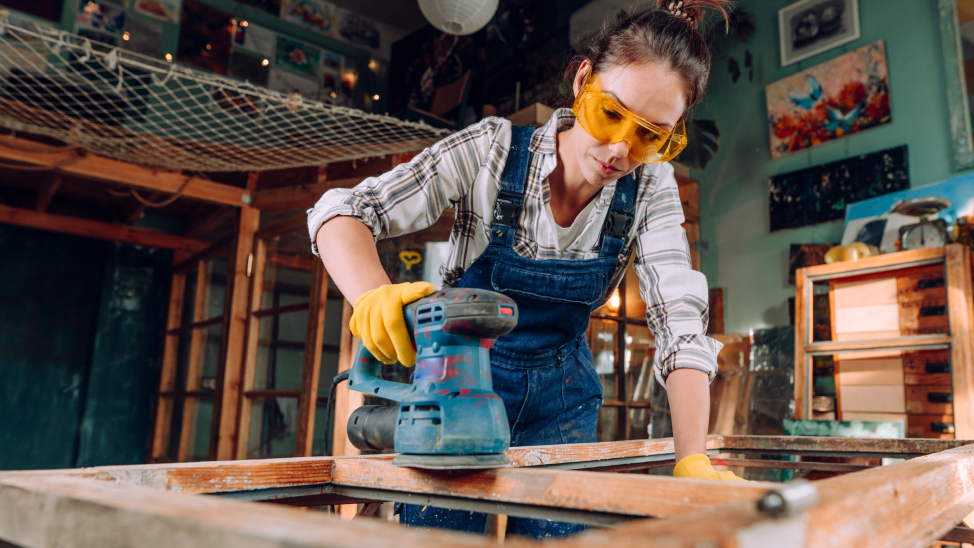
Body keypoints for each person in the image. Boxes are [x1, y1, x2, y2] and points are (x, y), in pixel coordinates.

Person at [308, 0, 742, 539]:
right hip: (457, 397)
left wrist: (692, 457)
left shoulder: (650, 188)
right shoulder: (492, 150)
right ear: (584, 79)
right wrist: (372, 293)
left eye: (650, 136)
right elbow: (343, 211)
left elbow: (679, 323)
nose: (618, 149)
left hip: (563, 404)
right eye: (611, 113)